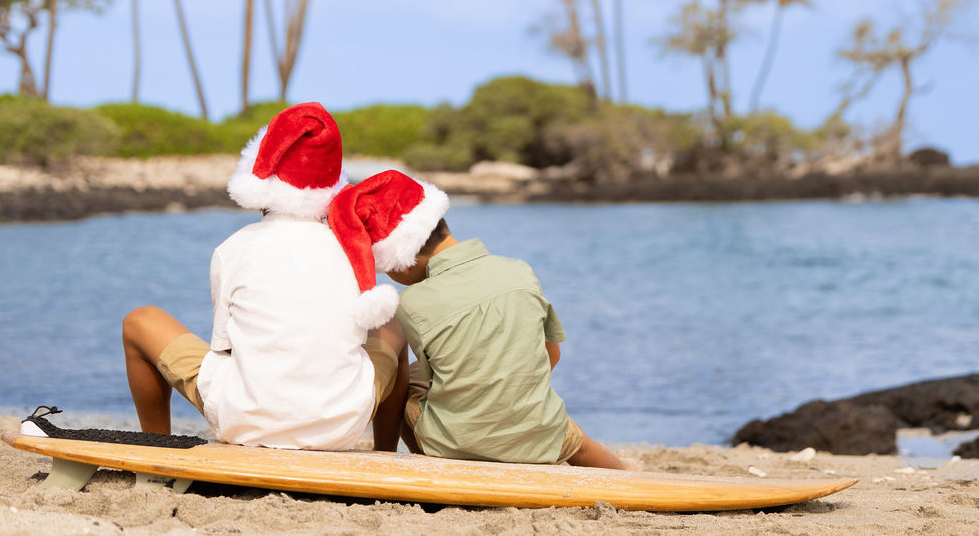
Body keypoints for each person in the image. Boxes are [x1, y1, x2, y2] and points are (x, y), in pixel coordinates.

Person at [120, 102, 408, 450]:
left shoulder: (233, 248)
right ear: (331, 189)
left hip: (245, 423)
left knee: (140, 321)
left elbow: (223, 347)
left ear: (258, 186)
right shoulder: (351, 251)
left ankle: (157, 445)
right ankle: (385, 452)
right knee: (392, 325)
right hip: (340, 427)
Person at [328, 170, 634, 469]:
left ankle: (389, 454)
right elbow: (551, 355)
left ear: (401, 262)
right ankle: (626, 469)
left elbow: (410, 378)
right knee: (575, 440)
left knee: (404, 380)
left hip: (457, 447)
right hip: (539, 436)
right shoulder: (520, 271)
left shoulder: (409, 304)